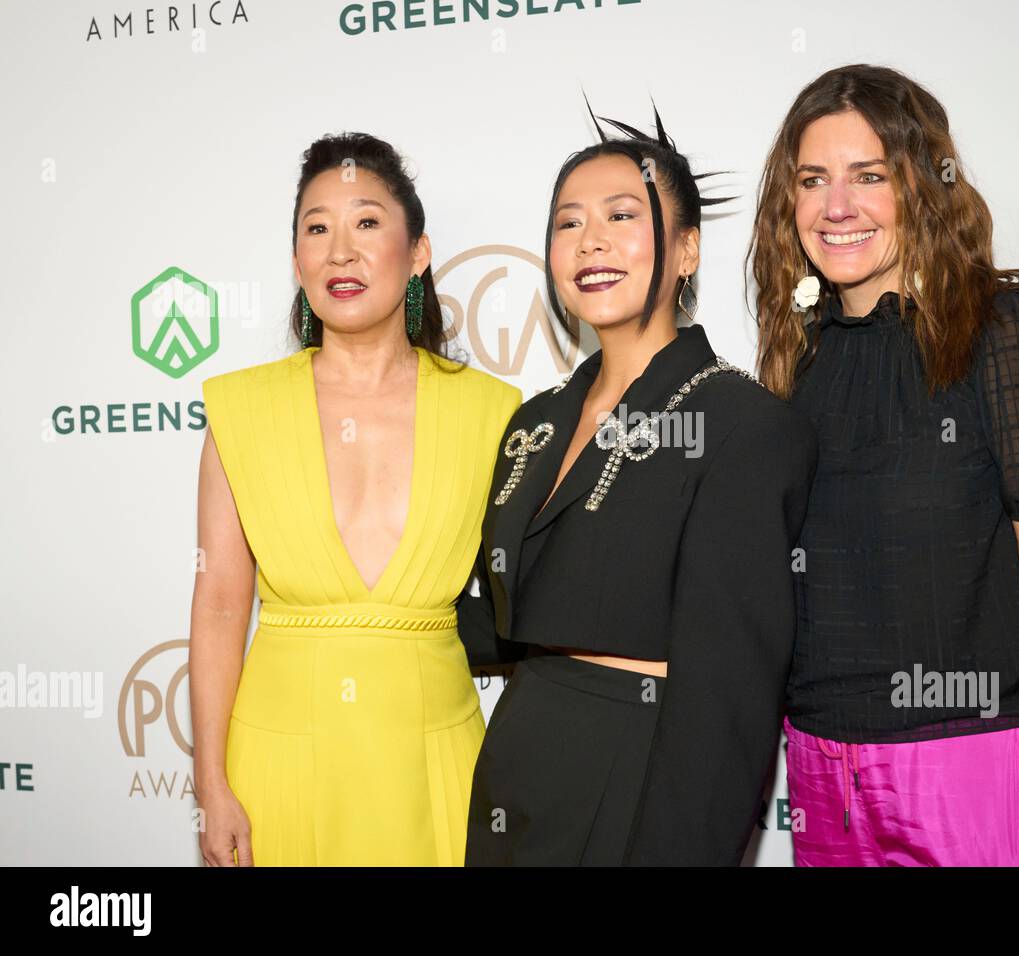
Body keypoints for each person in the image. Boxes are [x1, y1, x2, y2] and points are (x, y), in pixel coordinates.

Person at [748, 65, 1019, 866]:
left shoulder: (1008, 335)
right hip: (821, 776)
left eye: (868, 177)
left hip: (974, 768)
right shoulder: (794, 361)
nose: (835, 207)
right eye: (812, 180)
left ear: (922, 185)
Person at [456, 104, 819, 865]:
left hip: (642, 768)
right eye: (568, 223)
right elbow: (484, 619)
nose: (591, 241)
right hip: (516, 769)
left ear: (686, 250)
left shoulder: (741, 423)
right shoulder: (534, 421)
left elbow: (729, 701)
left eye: (622, 215)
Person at [189, 132, 521, 866]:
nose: (341, 250)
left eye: (367, 222)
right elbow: (218, 605)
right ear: (297, 261)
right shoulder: (242, 412)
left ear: (418, 253)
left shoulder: (494, 413)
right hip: (280, 762)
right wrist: (211, 785)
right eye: (317, 228)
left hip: (437, 760)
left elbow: (533, 597)